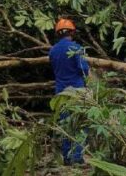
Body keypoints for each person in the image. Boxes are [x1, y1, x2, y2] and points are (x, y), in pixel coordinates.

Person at [48, 17, 89, 165]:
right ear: (72, 32)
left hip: (60, 92)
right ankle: (77, 157)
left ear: (57, 34)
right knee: (79, 124)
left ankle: (67, 157)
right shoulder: (77, 48)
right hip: (77, 91)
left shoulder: (52, 51)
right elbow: (84, 69)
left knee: (65, 124)